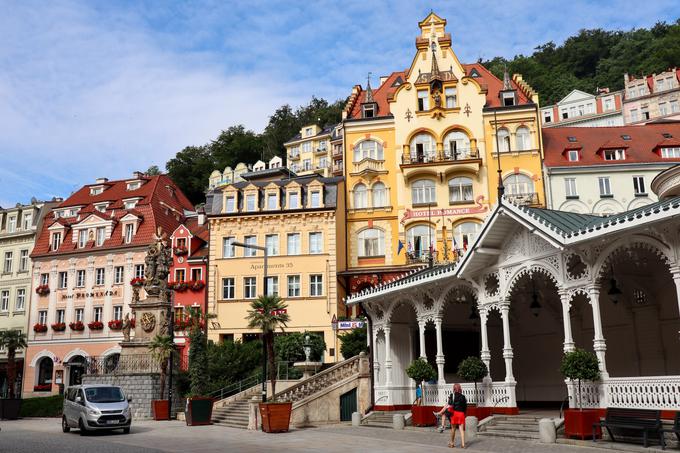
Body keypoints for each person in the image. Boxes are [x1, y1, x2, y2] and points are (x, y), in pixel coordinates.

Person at [449, 383, 467, 448]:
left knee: (453, 429)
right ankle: (463, 444)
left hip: (454, 413)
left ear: (454, 389)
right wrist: (464, 414)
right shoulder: (463, 396)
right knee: (461, 430)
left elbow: (450, 404)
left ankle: (452, 443)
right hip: (461, 414)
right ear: (460, 389)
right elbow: (465, 407)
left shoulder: (452, 395)